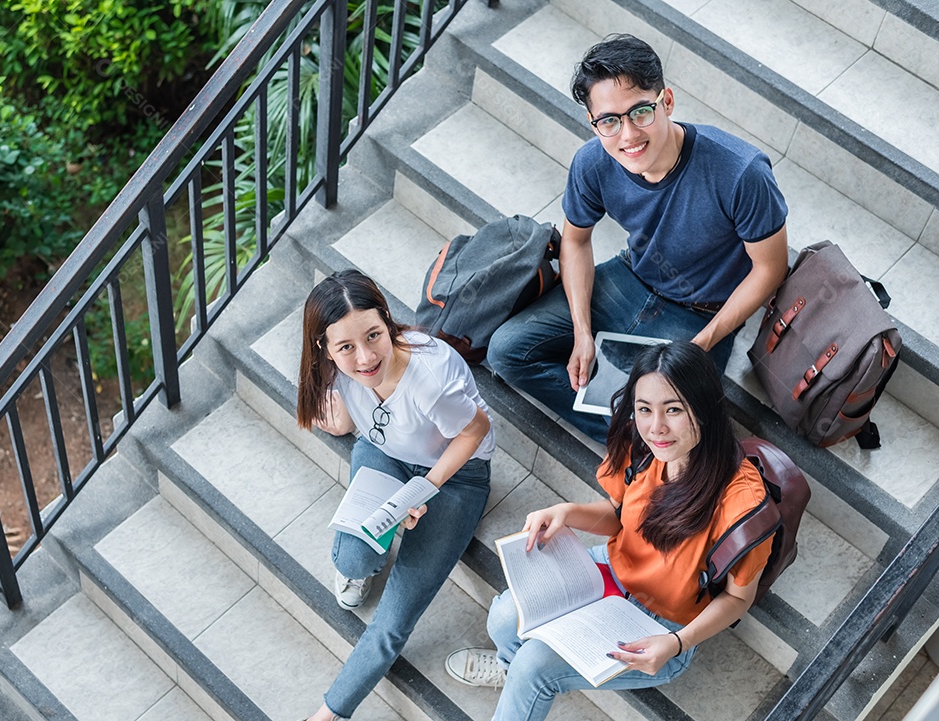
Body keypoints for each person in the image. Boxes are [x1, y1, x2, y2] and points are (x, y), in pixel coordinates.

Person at [445, 341, 773, 720]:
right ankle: (512, 671)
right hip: (615, 571)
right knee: (504, 617)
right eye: (644, 409)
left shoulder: (743, 503)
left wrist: (675, 643)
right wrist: (567, 512)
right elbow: (622, 516)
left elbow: (737, 599)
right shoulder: (641, 443)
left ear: (704, 409)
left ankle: (525, 677)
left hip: (664, 624)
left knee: (535, 666)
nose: (657, 427)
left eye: (674, 410)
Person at [486, 34, 789, 444]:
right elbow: (575, 242)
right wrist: (581, 332)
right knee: (506, 350)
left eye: (640, 112)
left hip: (700, 314)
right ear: (594, 123)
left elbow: (770, 268)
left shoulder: (740, 171)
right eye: (609, 120)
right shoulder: (592, 162)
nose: (627, 135)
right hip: (629, 278)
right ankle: (628, 436)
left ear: (666, 102)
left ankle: (644, 435)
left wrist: (702, 344)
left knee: (684, 420)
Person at [296, 269, 496, 721]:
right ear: (324, 349)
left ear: (387, 322)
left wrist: (424, 490)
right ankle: (365, 558)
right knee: (352, 561)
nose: (366, 358)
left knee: (392, 620)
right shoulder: (335, 367)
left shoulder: (427, 377)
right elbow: (351, 420)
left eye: (373, 336)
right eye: (346, 346)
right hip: (384, 452)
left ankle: (329, 714)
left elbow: (477, 429)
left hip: (455, 473)